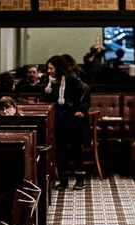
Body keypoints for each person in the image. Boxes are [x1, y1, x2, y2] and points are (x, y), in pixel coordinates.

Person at [39, 55, 90, 191]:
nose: (49, 71)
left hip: (73, 121)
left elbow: (85, 91)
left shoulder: (73, 80)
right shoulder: (49, 82)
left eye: (51, 68)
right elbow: (45, 98)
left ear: (58, 68)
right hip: (58, 121)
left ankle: (80, 180)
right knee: (60, 151)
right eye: (48, 68)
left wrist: (82, 110)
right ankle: (63, 180)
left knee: (75, 150)